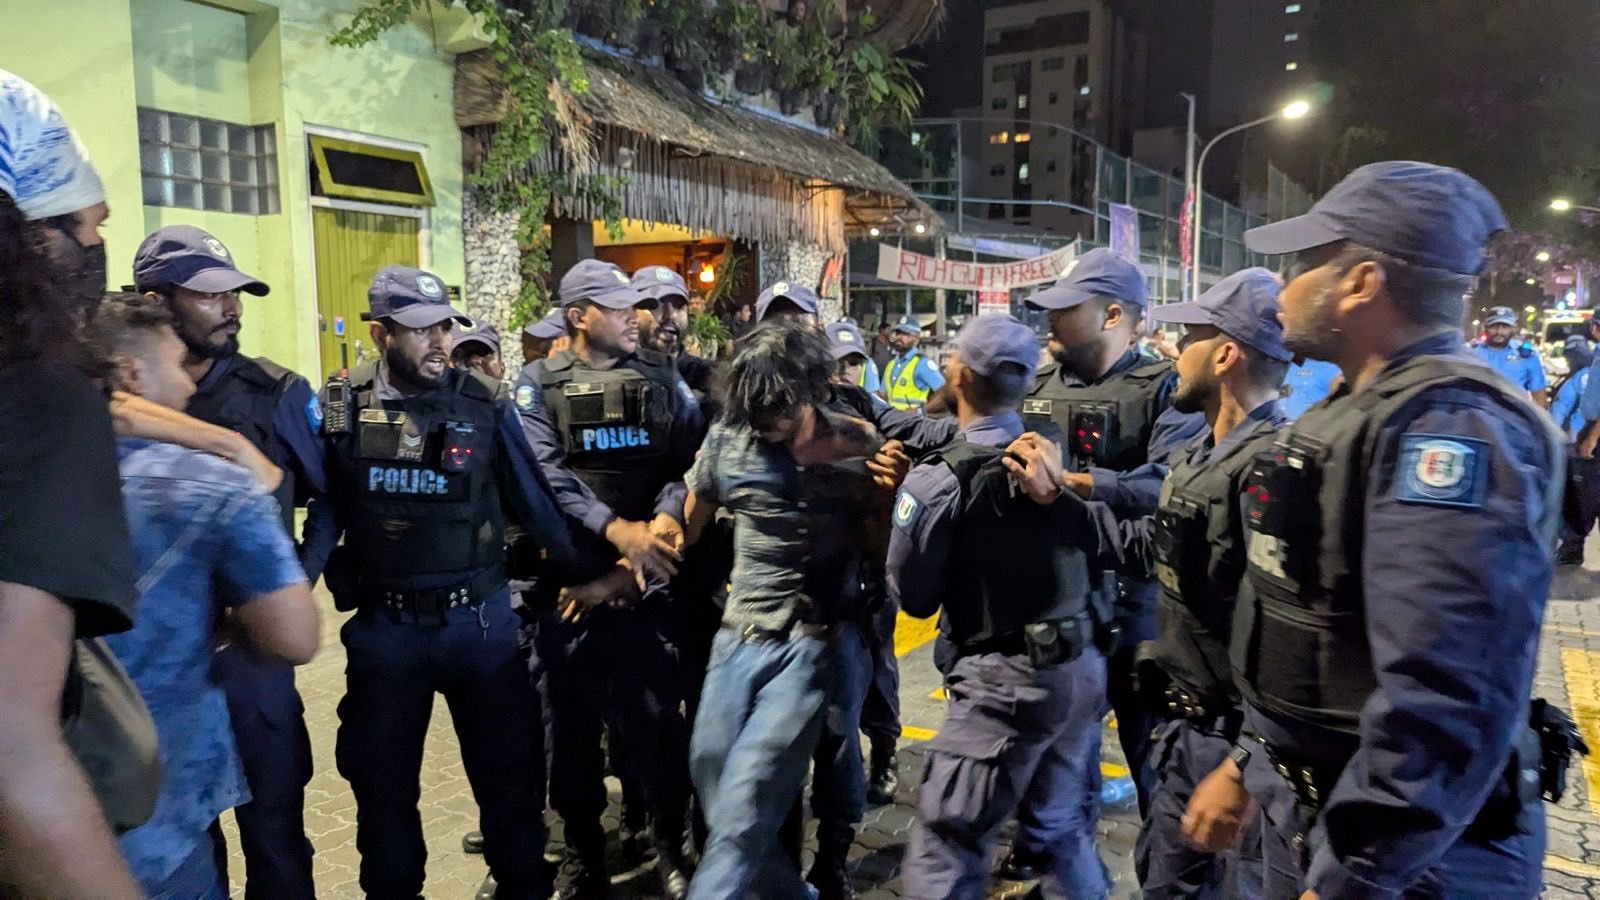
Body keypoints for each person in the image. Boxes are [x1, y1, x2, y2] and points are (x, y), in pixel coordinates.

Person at [1183, 161, 1561, 899]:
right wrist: (1248, 760)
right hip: (1323, 812)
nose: (1282, 286)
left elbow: (1443, 702)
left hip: (1415, 860)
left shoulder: (1450, 431)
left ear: (1361, 283)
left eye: (1302, 265)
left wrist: (1353, 875)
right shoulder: (1354, 411)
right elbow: (1310, 629)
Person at [306, 264, 575, 899]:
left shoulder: (484, 402)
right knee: (383, 798)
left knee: (510, 794)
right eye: (421, 329)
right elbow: (327, 505)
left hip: (478, 628)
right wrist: (293, 587)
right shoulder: (343, 403)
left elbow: (537, 506)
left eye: (445, 327)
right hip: (386, 631)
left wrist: (586, 577)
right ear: (381, 334)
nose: (440, 341)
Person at [92, 292, 321, 898]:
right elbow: (296, 637)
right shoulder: (209, 482)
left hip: (58, 794)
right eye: (174, 365)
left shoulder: (36, 463)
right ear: (130, 373)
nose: (189, 384)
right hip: (167, 793)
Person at [889, 313, 1119, 899]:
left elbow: (915, 600)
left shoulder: (937, 481)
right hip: (1080, 669)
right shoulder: (1058, 454)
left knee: (947, 847)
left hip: (1003, 687)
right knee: (1060, 831)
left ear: (960, 375)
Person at [0, 68, 150, 899]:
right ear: (30, 237)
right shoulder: (35, 395)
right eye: (88, 227)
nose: (98, 251)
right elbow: (9, 746)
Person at [512, 259, 705, 898]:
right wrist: (615, 528)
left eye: (632, 306)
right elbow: (543, 472)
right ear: (578, 316)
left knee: (658, 728)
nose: (632, 316)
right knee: (569, 738)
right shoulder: (537, 385)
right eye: (617, 307)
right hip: (571, 589)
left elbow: (689, 463)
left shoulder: (660, 376)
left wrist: (660, 519)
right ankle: (584, 857)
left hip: (648, 585)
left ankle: (669, 846)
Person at [681, 323, 887, 900]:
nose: (763, 422)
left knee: (754, 791)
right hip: (738, 633)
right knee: (710, 766)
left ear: (812, 389)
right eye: (752, 408)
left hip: (815, 642)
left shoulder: (857, 443)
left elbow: (882, 547)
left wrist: (886, 497)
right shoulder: (729, 438)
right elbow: (689, 520)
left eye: (777, 407)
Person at [1016, 246, 1206, 831]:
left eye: (1066, 307)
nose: (1051, 319)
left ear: (1113, 315)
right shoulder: (1035, 385)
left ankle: (1167, 867)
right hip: (1055, 600)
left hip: (1135, 605)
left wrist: (1073, 483)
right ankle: (1062, 855)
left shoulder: (1169, 390)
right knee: (1057, 760)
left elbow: (1171, 484)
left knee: (1156, 763)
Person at [1131, 268, 1291, 898]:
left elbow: (1288, 646)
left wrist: (1244, 763)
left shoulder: (1271, 470)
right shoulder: (1202, 455)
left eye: (1190, 337)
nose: (1175, 349)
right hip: (1186, 733)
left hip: (1236, 754)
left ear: (1225, 356)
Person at [633, 264, 720, 405]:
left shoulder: (708, 377)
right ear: (632, 313)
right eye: (656, 306)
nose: (671, 315)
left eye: (679, 307)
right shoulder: (618, 373)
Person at [1555, 328, 1598, 564]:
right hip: (1586, 440)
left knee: (1578, 500)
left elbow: (1560, 410)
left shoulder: (1579, 377)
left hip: (1582, 443)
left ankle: (1572, 549)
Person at [1473, 305, 1549, 407]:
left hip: (1513, 413)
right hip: (1478, 412)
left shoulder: (1528, 356)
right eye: (1494, 326)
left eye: (1505, 327)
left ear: (1514, 328)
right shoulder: (1471, 353)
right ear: (1486, 327)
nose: (1499, 332)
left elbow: (1539, 395)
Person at [885, 316, 945, 410]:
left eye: (906, 334)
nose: (899, 337)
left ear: (916, 340)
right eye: (898, 333)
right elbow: (883, 395)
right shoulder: (891, 364)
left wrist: (922, 411)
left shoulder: (922, 364)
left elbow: (944, 392)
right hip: (891, 418)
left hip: (914, 419)